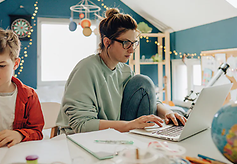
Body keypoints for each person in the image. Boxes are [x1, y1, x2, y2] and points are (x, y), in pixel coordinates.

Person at [56, 8, 187, 135]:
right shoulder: (86, 69)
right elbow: (81, 125)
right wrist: (130, 125)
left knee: (143, 82)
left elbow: (148, 96)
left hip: (113, 132)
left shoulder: (124, 70)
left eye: (134, 43)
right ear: (107, 42)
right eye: (125, 43)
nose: (131, 49)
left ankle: (147, 140)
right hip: (79, 137)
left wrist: (167, 112)